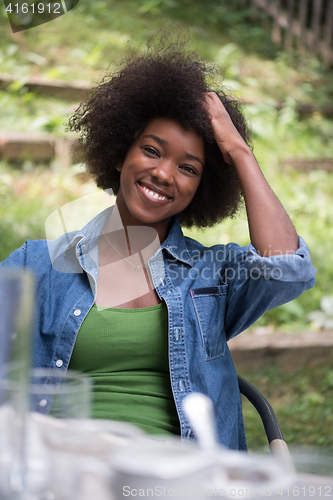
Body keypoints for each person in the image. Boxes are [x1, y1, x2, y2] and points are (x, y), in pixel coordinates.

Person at [0, 45, 316, 450]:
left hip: (181, 478)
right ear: (120, 155)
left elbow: (287, 268)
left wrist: (239, 151)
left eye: (188, 168)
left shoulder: (213, 273)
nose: (164, 173)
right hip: (65, 473)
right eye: (151, 150)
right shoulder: (38, 264)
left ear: (201, 187)